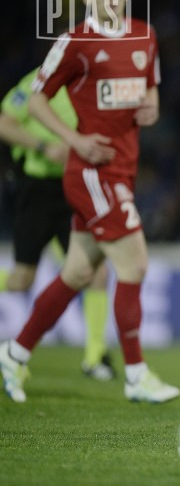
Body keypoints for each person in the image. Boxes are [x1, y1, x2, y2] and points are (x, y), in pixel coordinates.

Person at [0, 0, 179, 404]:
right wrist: (75, 140)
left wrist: (152, 107)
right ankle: (136, 376)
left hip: (123, 169)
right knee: (134, 265)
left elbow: (150, 87)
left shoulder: (145, 34)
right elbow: (36, 101)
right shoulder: (74, 41)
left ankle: (14, 354)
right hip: (92, 173)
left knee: (78, 272)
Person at [0, 69, 115, 381]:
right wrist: (43, 147)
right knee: (21, 279)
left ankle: (95, 357)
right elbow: (4, 123)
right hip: (37, 189)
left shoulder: (90, 82)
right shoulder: (35, 82)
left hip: (75, 187)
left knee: (97, 272)